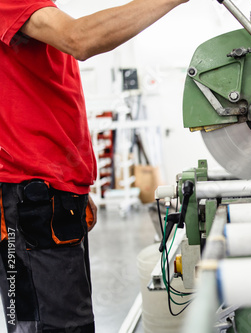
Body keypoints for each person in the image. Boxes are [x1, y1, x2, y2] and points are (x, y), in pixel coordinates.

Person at [0, 0, 189, 331]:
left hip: (45, 195)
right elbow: (80, 39)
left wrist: (73, 184)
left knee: (44, 320)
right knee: (57, 325)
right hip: (31, 202)